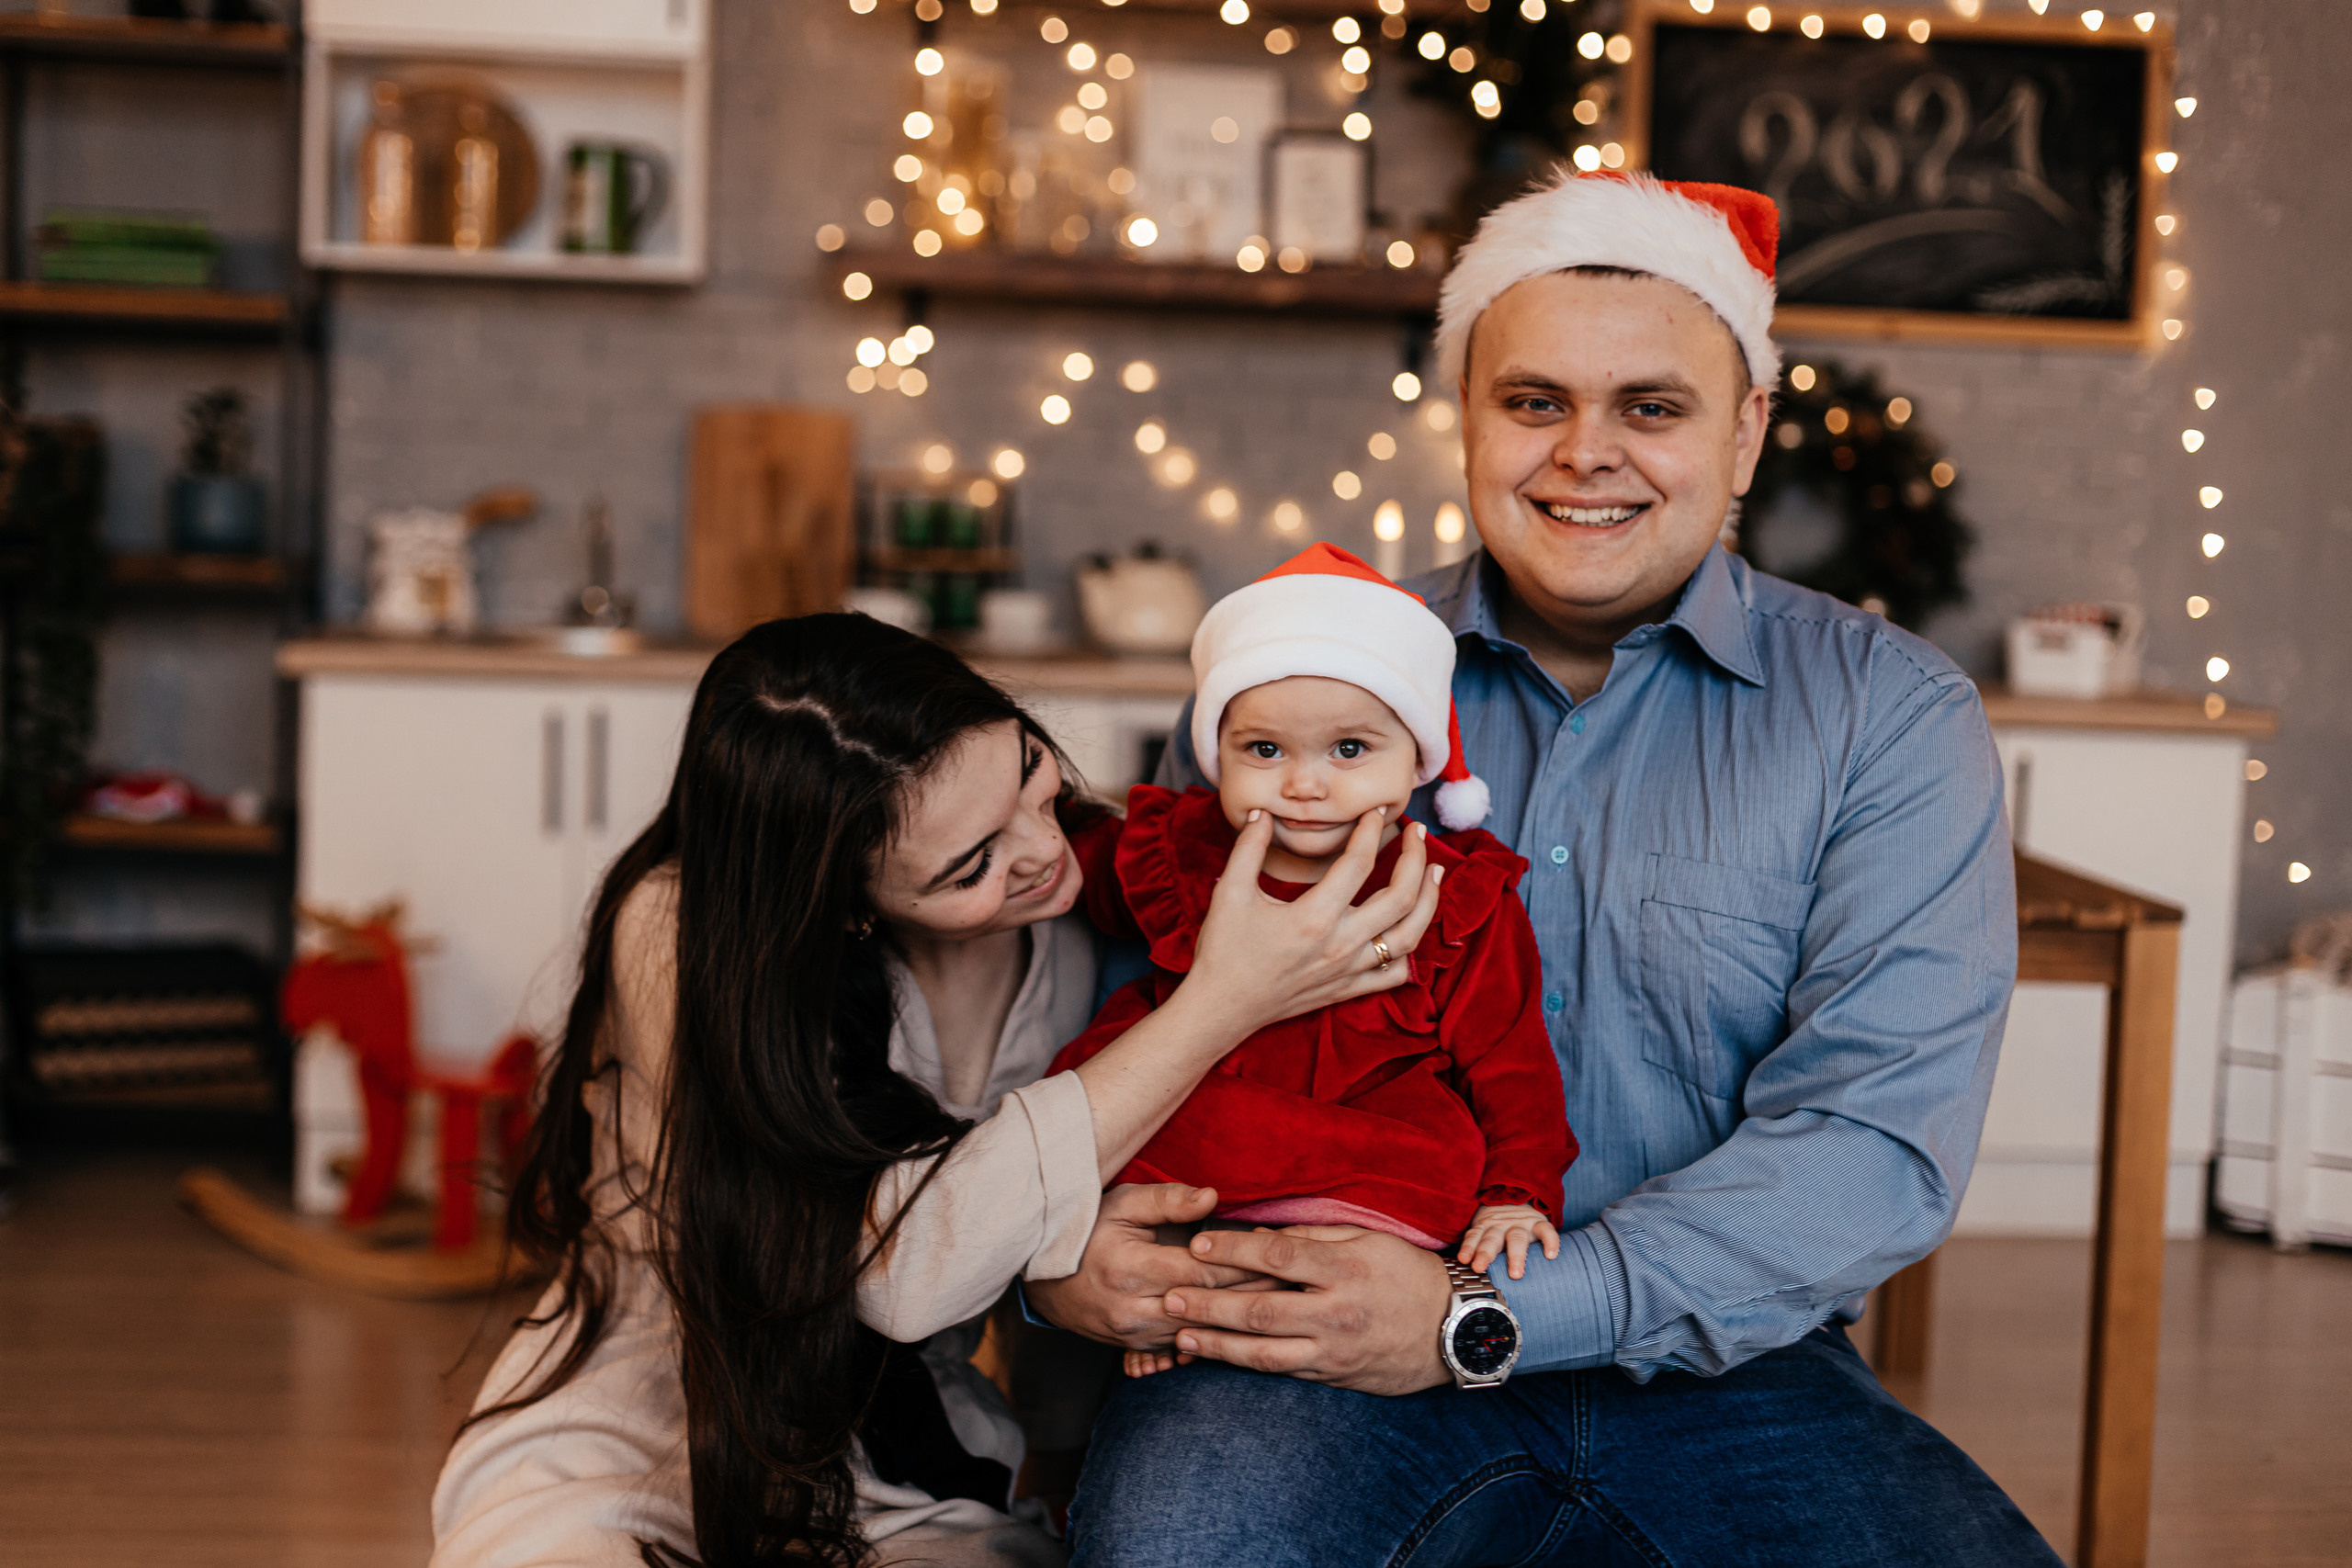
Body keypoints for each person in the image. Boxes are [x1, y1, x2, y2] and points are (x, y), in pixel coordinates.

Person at [1033, 172, 2060, 1565]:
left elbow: (1872, 1149)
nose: (1587, 453)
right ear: (1467, 417)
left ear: (1747, 431)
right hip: (1302, 1326)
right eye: (1534, 402)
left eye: (1652, 406)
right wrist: (1063, 1249)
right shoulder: (1290, 689)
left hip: (1726, 1364)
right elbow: (1117, 1035)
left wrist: (1483, 1312)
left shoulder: (1889, 716)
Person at [427, 615, 1442, 1568]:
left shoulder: (1108, 895)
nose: (1046, 854)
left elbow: (1144, 1176)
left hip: (918, 1450)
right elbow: (903, 1269)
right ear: (842, 903)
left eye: (1031, 777)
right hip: (641, 1415)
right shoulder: (683, 933)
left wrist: (1076, 1294)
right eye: (971, 866)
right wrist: (1225, 1000)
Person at [1048, 542, 1575, 1382]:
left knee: (1424, 1170)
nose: (1303, 784)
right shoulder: (1179, 847)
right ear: (1219, 752)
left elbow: (1511, 1059)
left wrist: (1519, 1188)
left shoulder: (1452, 892)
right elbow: (1075, 872)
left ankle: (1264, 1280)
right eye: (1264, 752)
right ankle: (1174, 1288)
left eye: (1350, 750)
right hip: (1211, 1106)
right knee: (1090, 1111)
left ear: (1417, 763)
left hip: (1365, 1131)